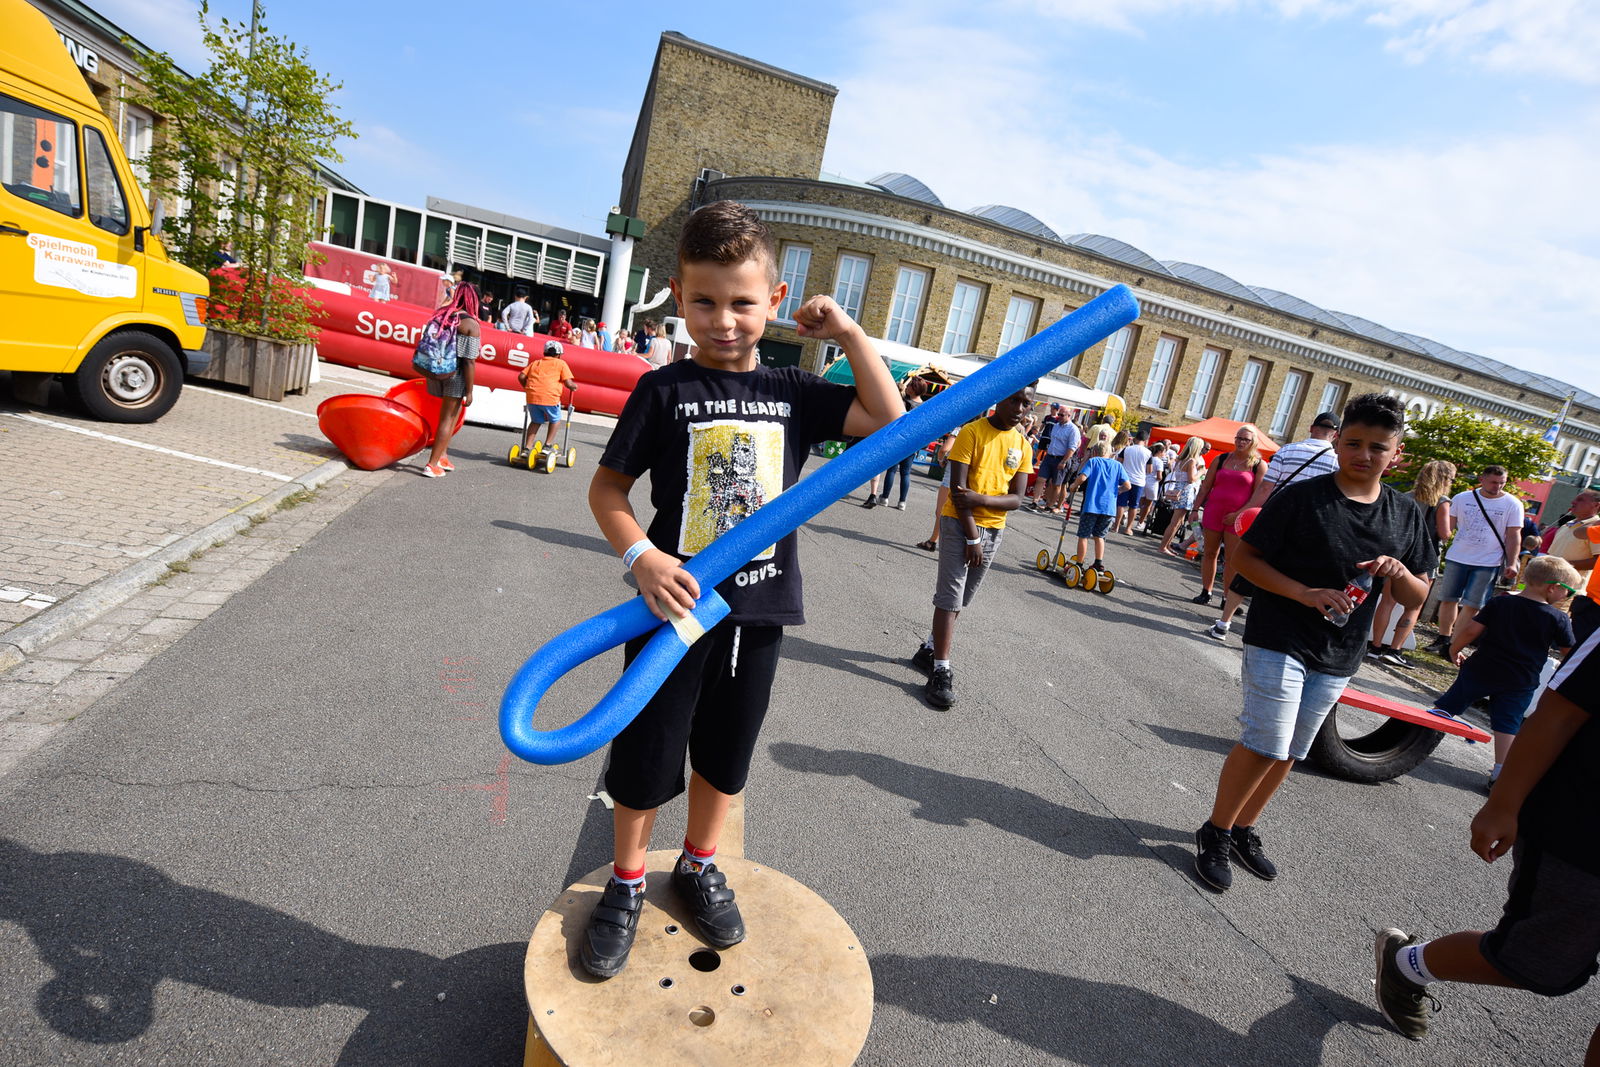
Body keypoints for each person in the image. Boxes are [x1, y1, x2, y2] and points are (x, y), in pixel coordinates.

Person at [580, 200, 900, 979]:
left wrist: (852, 336)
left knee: (726, 752)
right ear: (678, 294)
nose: (724, 321)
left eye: (743, 302)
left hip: (758, 613)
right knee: (647, 750)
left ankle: (695, 863)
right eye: (705, 301)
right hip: (672, 612)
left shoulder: (794, 389)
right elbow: (607, 491)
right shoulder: (664, 390)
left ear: (775, 302)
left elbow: (891, 420)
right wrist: (643, 559)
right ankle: (625, 882)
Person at [1193, 393, 1434, 892]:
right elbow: (1249, 561)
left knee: (1292, 750)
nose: (1363, 455)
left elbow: (1418, 594)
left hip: (1342, 649)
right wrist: (1304, 593)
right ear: (1339, 443)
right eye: (1353, 443)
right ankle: (1215, 831)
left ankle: (1243, 829)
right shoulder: (1304, 498)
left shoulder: (1406, 514)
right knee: (1265, 740)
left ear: (1397, 453)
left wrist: (1399, 571)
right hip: (1280, 635)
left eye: (1377, 447)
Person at [1372, 629, 1600, 1059]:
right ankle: (1406, 965)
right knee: (1540, 963)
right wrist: (1503, 803)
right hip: (1581, 833)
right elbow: (1557, 714)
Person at [911, 386, 1036, 710]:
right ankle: (941, 671)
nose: (1020, 408)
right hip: (959, 526)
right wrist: (972, 538)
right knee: (949, 597)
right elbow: (957, 492)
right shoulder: (972, 432)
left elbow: (1017, 499)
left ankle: (928, 649)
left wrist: (981, 499)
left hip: (994, 531)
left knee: (961, 600)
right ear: (1001, 398)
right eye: (1015, 399)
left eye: (1026, 403)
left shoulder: (1022, 444)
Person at [1432, 555, 1579, 790]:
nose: (1568, 598)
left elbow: (1472, 630)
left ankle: (1412, 735)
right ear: (1554, 588)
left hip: (1481, 668)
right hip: (1521, 679)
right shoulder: (1558, 618)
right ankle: (1500, 772)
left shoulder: (1500, 603)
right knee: (1507, 724)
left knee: (1450, 703)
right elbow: (1569, 652)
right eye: (1569, 593)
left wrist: (1454, 648)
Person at [1207, 416, 1340, 638]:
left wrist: (1246, 515)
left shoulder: (1288, 451)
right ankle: (1279, 633)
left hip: (1277, 521)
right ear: (1335, 434)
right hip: (1312, 528)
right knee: (1296, 581)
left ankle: (1223, 623)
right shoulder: (1337, 461)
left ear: (1311, 428)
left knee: (1250, 571)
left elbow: (1265, 489)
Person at [1368, 459, 1456, 668]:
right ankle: (1395, 649)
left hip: (1399, 554)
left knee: (1387, 601)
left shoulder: (1406, 497)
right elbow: (1444, 534)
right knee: (1414, 606)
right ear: (1444, 479)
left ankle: (1375, 646)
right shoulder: (1442, 501)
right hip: (1425, 558)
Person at [1431, 466, 1525, 655]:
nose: (1497, 487)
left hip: (1489, 561)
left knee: (1473, 604)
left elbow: (1514, 535)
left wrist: (1512, 562)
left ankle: (1454, 644)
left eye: (1502, 483)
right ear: (1481, 479)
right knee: (1448, 598)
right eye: (1493, 482)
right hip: (1458, 555)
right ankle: (1443, 637)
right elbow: (1448, 527)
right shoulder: (1462, 498)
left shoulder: (1512, 504)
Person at [1189, 425, 1267, 615]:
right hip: (1214, 511)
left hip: (1239, 518)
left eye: (1245, 439)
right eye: (1238, 438)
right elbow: (1206, 486)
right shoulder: (1221, 458)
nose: (1240, 442)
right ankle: (1206, 591)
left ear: (1253, 442)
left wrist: (1240, 514)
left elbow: (1259, 495)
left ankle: (1226, 597)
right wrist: (1194, 509)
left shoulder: (1258, 464)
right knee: (1209, 553)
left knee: (1233, 560)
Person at [420, 284, 481, 479]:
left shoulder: (443, 315)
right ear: (475, 300)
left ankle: (443, 456)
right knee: (448, 419)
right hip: (456, 375)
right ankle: (432, 464)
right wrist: (470, 391)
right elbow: (469, 361)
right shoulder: (470, 324)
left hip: (436, 370)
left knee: (451, 417)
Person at [1068, 439, 1129, 579]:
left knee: (1083, 535)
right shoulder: (1117, 465)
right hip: (1108, 508)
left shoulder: (1093, 462)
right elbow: (1128, 486)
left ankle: (1079, 563)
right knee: (1099, 536)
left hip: (1091, 506)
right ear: (1109, 452)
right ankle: (1098, 563)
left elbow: (1082, 477)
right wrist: (1118, 490)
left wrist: (1073, 486)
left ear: (1095, 452)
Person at [864, 377, 928, 511]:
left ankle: (885, 497)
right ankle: (902, 502)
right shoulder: (924, 407)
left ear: (914, 388)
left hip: (897, 440)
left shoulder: (902, 402)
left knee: (892, 470)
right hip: (912, 443)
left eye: (910, 385)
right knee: (906, 473)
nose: (908, 387)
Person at [1549, 490, 1600, 644]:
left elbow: (1596, 560)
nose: (1573, 502)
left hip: (1568, 589)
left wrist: (1565, 566)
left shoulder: (1594, 529)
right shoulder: (1569, 523)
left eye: (1581, 500)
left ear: (1596, 505)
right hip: (1549, 584)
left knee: (1553, 630)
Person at [517, 341, 579, 456]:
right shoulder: (561, 364)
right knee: (555, 420)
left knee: (535, 421)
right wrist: (574, 386)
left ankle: (527, 448)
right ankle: (548, 445)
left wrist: (526, 387)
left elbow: (521, 376)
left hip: (532, 397)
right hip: (550, 398)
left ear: (544, 352)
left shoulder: (536, 363)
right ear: (559, 354)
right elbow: (568, 383)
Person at [1158, 437, 1208, 556]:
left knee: (1178, 522)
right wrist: (1201, 472)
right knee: (1175, 522)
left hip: (1179, 490)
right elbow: (1191, 479)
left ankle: (1167, 545)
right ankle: (1163, 546)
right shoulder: (1191, 461)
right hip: (1185, 492)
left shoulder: (1180, 459)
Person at [1030, 408, 1082, 514]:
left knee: (1056, 484)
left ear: (1069, 416)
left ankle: (1050, 506)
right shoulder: (1056, 426)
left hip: (1061, 458)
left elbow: (1072, 447)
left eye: (1062, 415)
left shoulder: (1073, 429)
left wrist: (1064, 461)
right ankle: (1035, 501)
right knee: (1041, 479)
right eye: (1059, 414)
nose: (1059, 417)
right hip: (1049, 456)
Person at [915, 429, 960, 551]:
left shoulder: (960, 429)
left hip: (951, 479)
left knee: (941, 512)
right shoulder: (980, 430)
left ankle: (934, 542)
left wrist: (941, 459)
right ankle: (933, 540)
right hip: (970, 481)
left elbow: (944, 449)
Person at [1112, 429, 1151, 534]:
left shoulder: (1127, 449)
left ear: (1135, 438)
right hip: (1139, 481)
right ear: (1146, 440)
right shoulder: (1148, 453)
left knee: (1120, 504)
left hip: (1125, 479)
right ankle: (1128, 528)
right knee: (1134, 505)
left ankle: (1116, 526)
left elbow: (1119, 463)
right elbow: (1149, 470)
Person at [1134, 441, 1168, 532]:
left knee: (1140, 503)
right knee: (1148, 505)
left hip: (1143, 480)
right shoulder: (1159, 461)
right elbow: (1159, 476)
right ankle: (1140, 522)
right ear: (1160, 452)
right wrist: (1160, 480)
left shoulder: (1149, 458)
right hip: (1152, 483)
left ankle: (1132, 515)